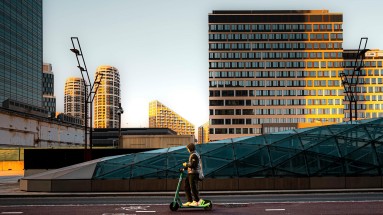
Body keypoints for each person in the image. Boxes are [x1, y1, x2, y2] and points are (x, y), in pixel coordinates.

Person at [182, 142, 204, 207]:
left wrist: (186, 164)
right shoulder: (192, 154)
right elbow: (190, 164)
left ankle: (197, 201)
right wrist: (184, 169)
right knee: (186, 187)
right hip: (190, 173)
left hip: (194, 173)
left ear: (190, 148)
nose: (187, 150)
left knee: (193, 187)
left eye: (188, 148)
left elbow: (193, 165)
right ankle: (190, 201)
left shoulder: (194, 155)